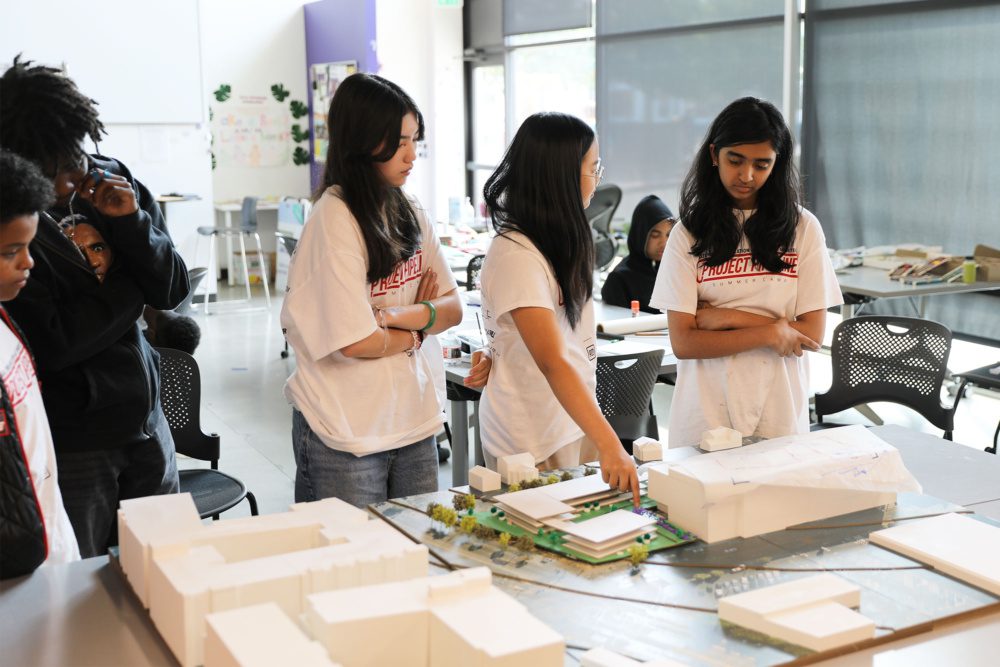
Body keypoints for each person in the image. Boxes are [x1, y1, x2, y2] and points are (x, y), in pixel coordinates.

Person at [0, 57, 190, 557]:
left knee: (167, 571)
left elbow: (171, 289)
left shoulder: (110, 181)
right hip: (78, 441)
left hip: (147, 422)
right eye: (52, 170)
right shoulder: (14, 224)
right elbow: (57, 342)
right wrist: (133, 286)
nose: (69, 181)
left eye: (75, 160)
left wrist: (130, 225)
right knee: (78, 592)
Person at [281, 72, 481, 508]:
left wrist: (393, 318)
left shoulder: (408, 209)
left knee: (417, 553)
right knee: (355, 564)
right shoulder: (335, 221)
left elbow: (453, 307)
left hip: (413, 422)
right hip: (346, 431)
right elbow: (355, 341)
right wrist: (421, 326)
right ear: (365, 141)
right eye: (400, 142)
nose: (412, 155)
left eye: (415, 140)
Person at [649, 97, 843, 448]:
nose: (746, 176)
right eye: (735, 160)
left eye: (762, 164)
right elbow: (684, 342)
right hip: (704, 415)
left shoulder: (802, 228)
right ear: (714, 155)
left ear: (777, 164)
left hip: (779, 413)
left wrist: (724, 317)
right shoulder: (688, 232)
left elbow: (812, 334)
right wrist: (772, 332)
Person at [478, 112, 640, 504]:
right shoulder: (517, 253)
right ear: (561, 176)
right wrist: (611, 444)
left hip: (570, 419)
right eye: (592, 167)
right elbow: (552, 360)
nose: (597, 178)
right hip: (530, 437)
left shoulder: (564, 239)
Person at [0, 149, 81, 578]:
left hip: (50, 538)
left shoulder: (5, 316)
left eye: (28, 246)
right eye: (11, 251)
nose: (28, 262)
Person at [600, 194, 675, 313]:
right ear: (640, 234)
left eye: (668, 235)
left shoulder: (672, 273)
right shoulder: (619, 280)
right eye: (655, 235)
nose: (664, 243)